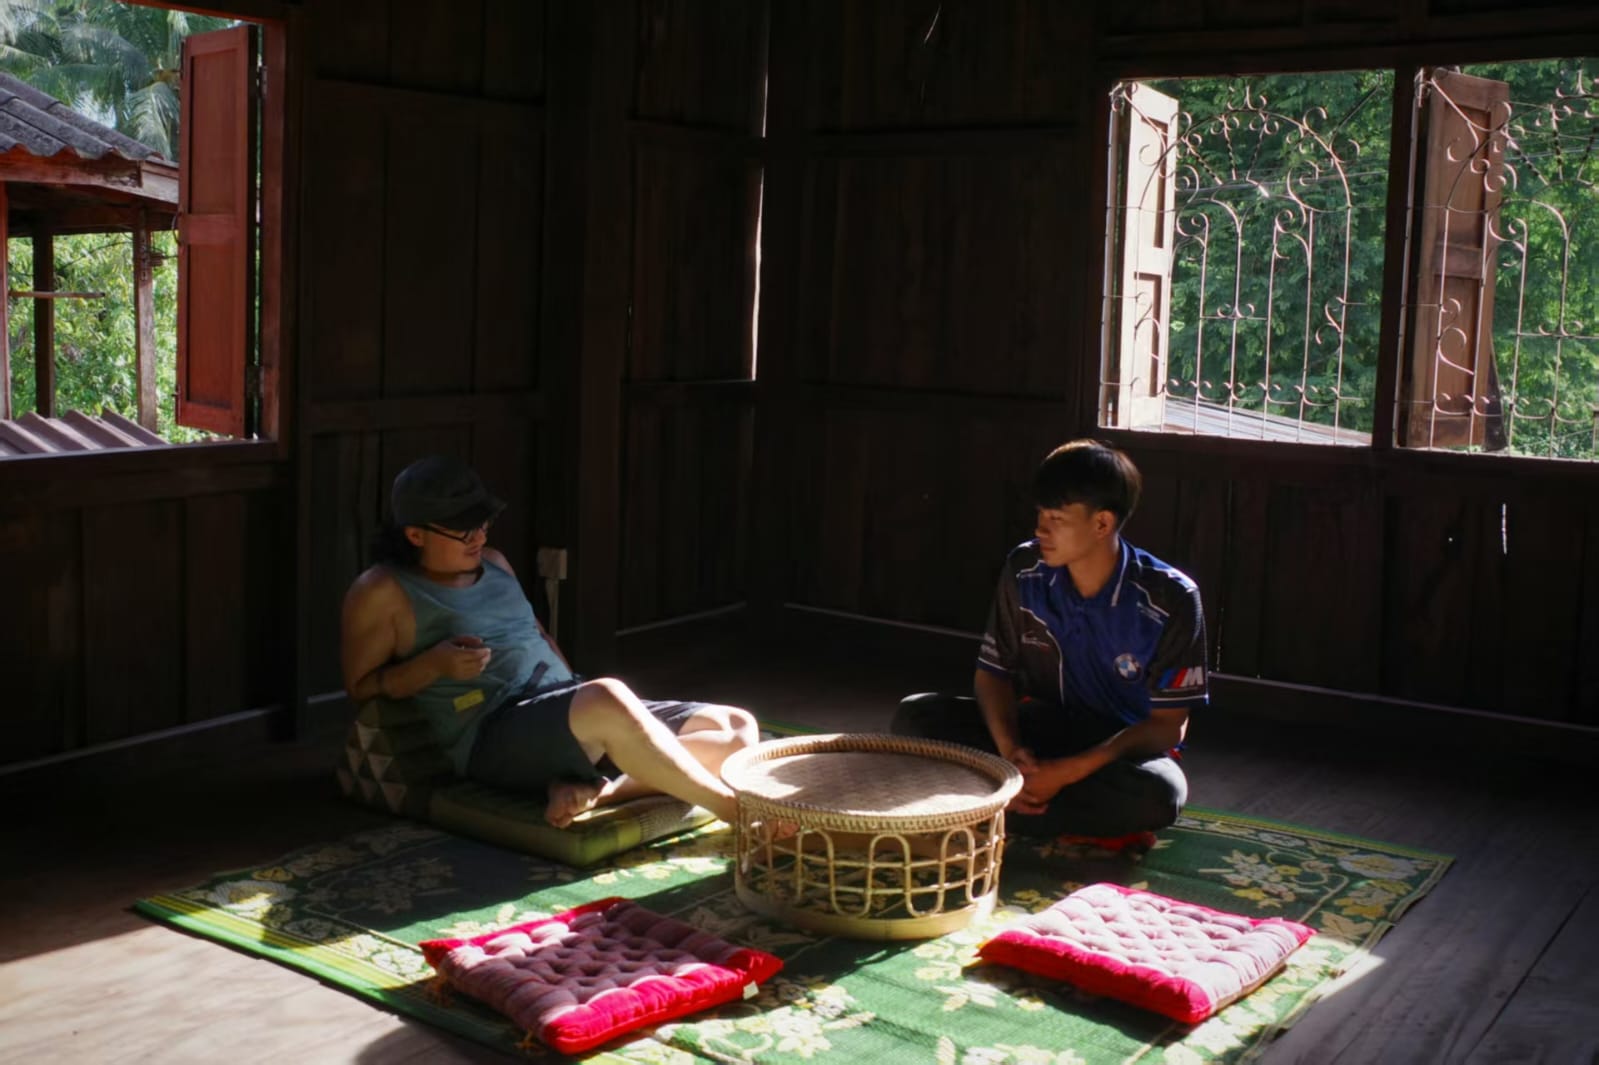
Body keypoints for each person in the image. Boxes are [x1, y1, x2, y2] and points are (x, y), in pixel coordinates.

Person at [340, 454, 756, 829]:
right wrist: (432, 666)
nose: (479, 538)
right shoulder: (381, 591)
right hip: (493, 733)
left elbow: (538, 634)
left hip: (562, 704)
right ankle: (730, 808)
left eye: (483, 524)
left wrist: (576, 691)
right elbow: (361, 688)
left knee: (736, 728)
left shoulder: (496, 563)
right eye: (464, 531)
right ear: (415, 535)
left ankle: (601, 791)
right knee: (608, 696)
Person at [892, 440, 1206, 847]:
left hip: (1117, 751)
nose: (1041, 528)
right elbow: (992, 675)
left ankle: (982, 812)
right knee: (914, 718)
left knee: (1161, 794)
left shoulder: (1171, 597)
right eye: (1040, 513)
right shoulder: (1024, 570)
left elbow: (1169, 726)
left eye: (1057, 517)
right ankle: (1045, 814)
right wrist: (1009, 754)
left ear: (1102, 524)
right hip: (1037, 734)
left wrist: (1069, 772)